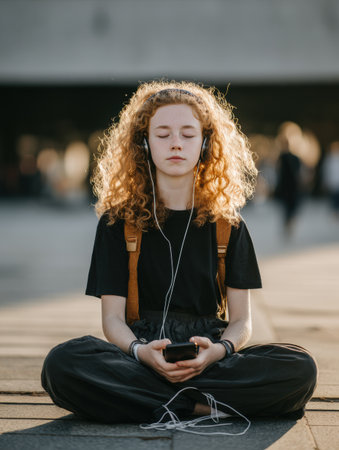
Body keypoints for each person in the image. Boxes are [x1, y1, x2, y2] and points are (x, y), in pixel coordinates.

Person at [41, 81, 317, 428]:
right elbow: (112, 320)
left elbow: (242, 321)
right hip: (141, 352)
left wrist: (219, 351)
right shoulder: (117, 223)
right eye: (163, 134)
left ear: (205, 143)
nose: (175, 143)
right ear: (143, 142)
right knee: (62, 364)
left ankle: (162, 404)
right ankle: (199, 407)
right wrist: (142, 352)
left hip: (210, 355)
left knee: (300, 367)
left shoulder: (228, 224)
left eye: (188, 134)